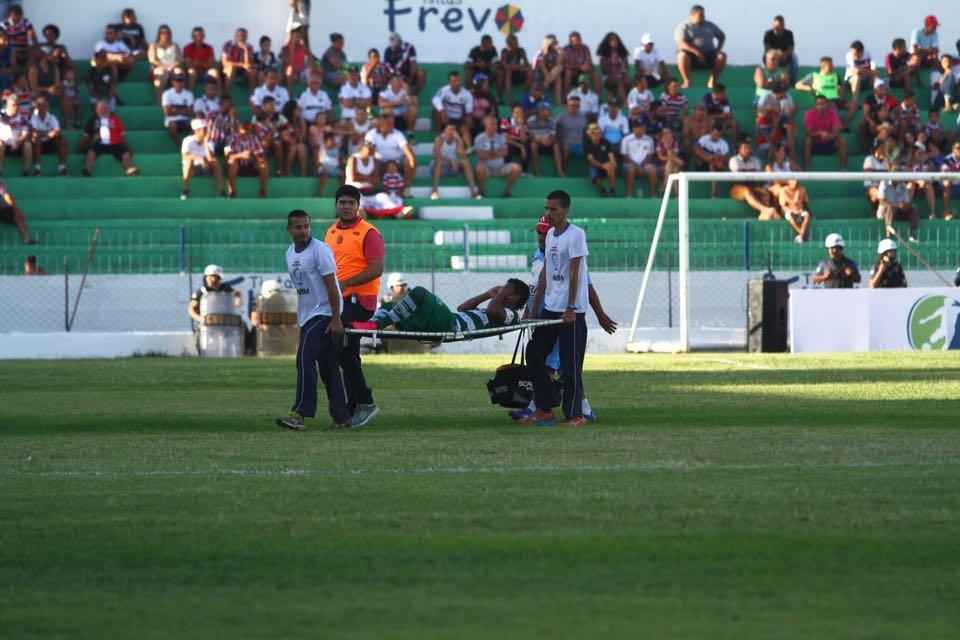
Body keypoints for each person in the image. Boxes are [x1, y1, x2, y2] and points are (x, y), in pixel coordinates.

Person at [276, 209, 351, 432]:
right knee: (328, 366)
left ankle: (300, 413)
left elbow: (332, 286)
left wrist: (336, 319)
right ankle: (342, 416)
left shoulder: (320, 250)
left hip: (325, 313)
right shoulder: (290, 253)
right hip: (308, 316)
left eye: (306, 226)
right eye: (298, 227)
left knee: (304, 358)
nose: (303, 231)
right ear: (289, 229)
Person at [521, 190, 591, 427]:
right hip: (550, 308)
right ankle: (545, 408)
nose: (548, 213)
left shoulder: (576, 235)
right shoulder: (550, 235)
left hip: (572, 311)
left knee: (570, 365)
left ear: (566, 210)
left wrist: (571, 306)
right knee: (534, 353)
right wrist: (534, 310)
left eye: (553, 209)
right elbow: (545, 275)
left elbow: (574, 272)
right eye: (546, 208)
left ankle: (576, 414)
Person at [323, 184, 383, 428]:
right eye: (342, 202)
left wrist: (345, 283)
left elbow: (376, 269)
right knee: (339, 353)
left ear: (358, 206)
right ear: (336, 205)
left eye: (351, 203)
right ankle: (352, 406)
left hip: (360, 301)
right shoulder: (330, 232)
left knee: (343, 351)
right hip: (339, 300)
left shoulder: (369, 233)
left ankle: (364, 403)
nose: (346, 207)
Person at [80, 100, 138, 177]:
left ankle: (130, 170)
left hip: (115, 143)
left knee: (125, 154)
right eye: (101, 108)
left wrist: (126, 145)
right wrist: (82, 147)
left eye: (106, 108)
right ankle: (87, 170)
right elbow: (86, 136)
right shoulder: (92, 120)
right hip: (98, 143)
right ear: (97, 110)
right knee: (91, 153)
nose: (104, 110)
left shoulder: (115, 118)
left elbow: (122, 135)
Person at [675, 4, 726, 89]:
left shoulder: (710, 25)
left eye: (703, 15)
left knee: (722, 56)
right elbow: (681, 43)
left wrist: (718, 49)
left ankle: (712, 81)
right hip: (691, 58)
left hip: (709, 55)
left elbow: (722, 36)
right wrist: (696, 51)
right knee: (681, 55)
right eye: (700, 15)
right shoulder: (684, 26)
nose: (703, 17)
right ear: (692, 15)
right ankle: (687, 80)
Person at [364, 112, 415, 197]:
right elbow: (368, 150)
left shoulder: (398, 133)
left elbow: (408, 152)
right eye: (388, 123)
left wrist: (412, 162)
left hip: (397, 162)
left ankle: (406, 188)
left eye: (392, 123)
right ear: (381, 123)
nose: (391, 125)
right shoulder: (371, 134)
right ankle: (378, 189)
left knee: (410, 159)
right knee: (372, 160)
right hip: (380, 162)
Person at [729, 139, 778, 219]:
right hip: (737, 187)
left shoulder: (755, 160)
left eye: (748, 148)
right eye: (745, 148)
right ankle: (765, 209)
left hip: (753, 187)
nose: (747, 150)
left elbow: (757, 174)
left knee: (765, 193)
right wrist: (751, 172)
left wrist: (747, 172)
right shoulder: (734, 160)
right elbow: (739, 174)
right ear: (739, 150)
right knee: (746, 191)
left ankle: (764, 215)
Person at [474, 114, 521, 198]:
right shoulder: (479, 138)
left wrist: (488, 153)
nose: (495, 126)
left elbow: (505, 152)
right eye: (492, 124)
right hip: (486, 168)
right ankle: (481, 191)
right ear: (486, 125)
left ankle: (508, 191)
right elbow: (480, 154)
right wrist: (496, 153)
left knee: (516, 168)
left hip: (500, 167)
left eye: (495, 124)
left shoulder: (501, 137)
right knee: (479, 168)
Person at [430, 123, 478, 199]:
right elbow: (435, 155)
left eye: (453, 129)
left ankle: (473, 192)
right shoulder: (439, 139)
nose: (451, 132)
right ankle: (434, 191)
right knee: (439, 162)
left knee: (465, 162)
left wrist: (459, 139)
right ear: (444, 131)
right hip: (439, 167)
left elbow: (462, 155)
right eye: (449, 129)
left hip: (452, 167)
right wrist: (450, 160)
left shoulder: (457, 140)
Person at [794, 56, 848, 122]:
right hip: (820, 102)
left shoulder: (835, 76)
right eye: (830, 65)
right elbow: (797, 85)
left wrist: (840, 93)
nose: (833, 67)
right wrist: (810, 88)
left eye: (832, 65)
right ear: (823, 66)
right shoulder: (813, 76)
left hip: (833, 102)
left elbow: (842, 87)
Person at [181, 119, 224, 199]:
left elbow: (210, 158)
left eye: (206, 128)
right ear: (196, 131)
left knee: (215, 161)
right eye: (204, 129)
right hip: (193, 169)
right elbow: (185, 156)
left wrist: (205, 143)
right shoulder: (187, 140)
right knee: (189, 161)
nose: (206, 131)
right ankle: (185, 190)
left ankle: (221, 191)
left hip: (207, 167)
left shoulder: (209, 141)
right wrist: (200, 159)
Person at [225, 120, 268, 198]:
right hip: (238, 165)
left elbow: (261, 154)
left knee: (263, 163)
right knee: (232, 162)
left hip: (251, 165)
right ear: (238, 129)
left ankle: (263, 190)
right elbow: (228, 155)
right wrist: (241, 155)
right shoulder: (232, 138)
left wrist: (253, 156)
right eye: (244, 128)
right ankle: (233, 191)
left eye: (248, 128)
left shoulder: (254, 138)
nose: (246, 131)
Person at [803, 94, 847, 170]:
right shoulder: (810, 114)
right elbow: (808, 133)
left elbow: (836, 131)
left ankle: (843, 168)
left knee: (842, 141)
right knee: (808, 141)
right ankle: (807, 167)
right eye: (818, 104)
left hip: (829, 142)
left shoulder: (832, 114)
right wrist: (819, 133)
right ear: (815, 105)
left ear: (827, 104)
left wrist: (830, 136)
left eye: (823, 104)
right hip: (815, 143)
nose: (821, 106)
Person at [431, 71, 473, 145]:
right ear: (449, 82)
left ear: (460, 81)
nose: (456, 83)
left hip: (458, 118)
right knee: (435, 110)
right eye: (453, 81)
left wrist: (467, 123)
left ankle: (468, 146)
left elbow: (468, 112)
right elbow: (435, 99)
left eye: (458, 81)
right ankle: (438, 134)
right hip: (446, 117)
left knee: (466, 125)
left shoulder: (467, 94)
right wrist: (442, 111)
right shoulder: (444, 90)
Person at [29, 95, 67, 176]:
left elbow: (57, 131)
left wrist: (46, 134)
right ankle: (37, 169)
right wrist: (48, 133)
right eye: (40, 105)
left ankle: (62, 168)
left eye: (45, 105)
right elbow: (34, 132)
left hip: (50, 142)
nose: (43, 107)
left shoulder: (52, 117)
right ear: (37, 107)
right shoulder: (33, 117)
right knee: (36, 140)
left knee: (63, 142)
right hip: (38, 143)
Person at [621, 119, 657, 197]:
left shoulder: (649, 139)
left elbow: (650, 155)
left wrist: (641, 165)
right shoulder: (626, 139)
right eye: (639, 127)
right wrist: (637, 166)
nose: (641, 129)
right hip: (629, 164)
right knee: (631, 169)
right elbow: (625, 156)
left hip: (645, 164)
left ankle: (653, 195)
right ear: (634, 129)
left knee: (653, 169)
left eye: (643, 127)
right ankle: (629, 195)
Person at [147, 24, 182, 103]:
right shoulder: (154, 45)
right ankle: (159, 102)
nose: (165, 35)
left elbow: (180, 59)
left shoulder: (175, 45)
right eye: (163, 33)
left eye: (167, 33)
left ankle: (179, 100)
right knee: (160, 74)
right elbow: (152, 60)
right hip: (159, 67)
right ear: (159, 34)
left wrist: (172, 66)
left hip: (173, 67)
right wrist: (164, 67)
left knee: (178, 72)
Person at [0, 94, 32, 176]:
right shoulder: (1, 116)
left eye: (18, 105)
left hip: (17, 145)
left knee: (28, 145)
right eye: (13, 105)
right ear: (7, 105)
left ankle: (26, 171)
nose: (16, 107)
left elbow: (25, 133)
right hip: (3, 145)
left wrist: (18, 142)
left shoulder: (22, 118)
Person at [693, 124, 729, 196]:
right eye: (715, 134)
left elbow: (725, 158)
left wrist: (714, 158)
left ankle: (714, 192)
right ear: (711, 132)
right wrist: (708, 157)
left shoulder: (723, 143)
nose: (716, 136)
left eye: (718, 135)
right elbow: (696, 149)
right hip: (702, 163)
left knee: (713, 164)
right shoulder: (704, 138)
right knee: (709, 160)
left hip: (716, 165)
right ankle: (714, 192)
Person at [583, 121, 616, 197]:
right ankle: (602, 189)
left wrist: (613, 163)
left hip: (606, 164)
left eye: (598, 133)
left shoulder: (606, 142)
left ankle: (612, 189)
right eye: (594, 133)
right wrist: (602, 166)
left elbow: (611, 155)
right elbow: (591, 160)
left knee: (611, 168)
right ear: (590, 134)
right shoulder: (587, 144)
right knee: (595, 178)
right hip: (595, 166)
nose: (596, 135)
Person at [556, 95, 587, 175]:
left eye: (577, 106)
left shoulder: (584, 117)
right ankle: (563, 172)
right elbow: (555, 132)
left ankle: (592, 174)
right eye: (572, 105)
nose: (574, 108)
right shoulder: (561, 118)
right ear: (567, 106)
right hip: (567, 144)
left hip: (581, 144)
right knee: (566, 150)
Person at [762, 15, 798, 84]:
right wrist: (776, 53)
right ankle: (767, 80)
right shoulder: (768, 34)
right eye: (776, 26)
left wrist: (785, 54)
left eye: (780, 26)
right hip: (772, 55)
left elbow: (791, 47)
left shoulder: (789, 33)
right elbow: (767, 48)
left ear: (783, 25)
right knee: (766, 57)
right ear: (773, 25)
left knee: (795, 58)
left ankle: (793, 81)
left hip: (785, 55)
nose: (777, 28)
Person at [844, 40, 876, 115]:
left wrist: (868, 72)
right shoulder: (849, 55)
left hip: (866, 79)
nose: (853, 55)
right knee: (857, 77)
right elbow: (855, 71)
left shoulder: (868, 54)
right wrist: (868, 71)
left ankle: (876, 101)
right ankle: (854, 102)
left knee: (876, 77)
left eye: (855, 53)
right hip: (851, 80)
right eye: (852, 53)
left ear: (861, 52)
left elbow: (874, 70)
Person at [161, 71, 194, 143]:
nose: (179, 83)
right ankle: (180, 145)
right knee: (173, 126)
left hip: (186, 120)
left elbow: (190, 112)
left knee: (195, 125)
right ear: (172, 82)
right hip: (172, 121)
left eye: (181, 81)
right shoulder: (167, 94)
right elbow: (167, 113)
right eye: (177, 81)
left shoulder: (189, 94)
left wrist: (174, 110)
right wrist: (183, 110)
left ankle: (189, 143)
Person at [597, 32, 630, 104]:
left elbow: (625, 67)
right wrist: (614, 75)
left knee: (624, 80)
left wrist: (622, 73)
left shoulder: (622, 53)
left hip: (620, 75)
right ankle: (625, 102)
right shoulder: (604, 53)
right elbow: (603, 69)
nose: (614, 42)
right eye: (612, 40)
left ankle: (619, 100)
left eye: (615, 40)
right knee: (618, 81)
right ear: (608, 42)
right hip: (608, 75)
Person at [562, 31, 598, 95]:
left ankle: (596, 94)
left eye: (578, 39)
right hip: (572, 70)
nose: (577, 41)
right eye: (574, 40)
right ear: (570, 41)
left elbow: (588, 59)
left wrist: (586, 64)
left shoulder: (585, 48)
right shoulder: (566, 49)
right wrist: (579, 67)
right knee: (568, 73)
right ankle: (566, 95)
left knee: (593, 72)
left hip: (582, 69)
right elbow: (566, 64)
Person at [183, 26, 217, 92]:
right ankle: (190, 98)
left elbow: (210, 64)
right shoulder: (187, 48)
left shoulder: (209, 48)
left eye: (200, 36)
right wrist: (203, 64)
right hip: (193, 72)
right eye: (195, 36)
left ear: (203, 36)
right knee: (192, 72)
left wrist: (197, 63)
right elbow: (188, 64)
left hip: (205, 72)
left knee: (214, 72)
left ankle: (217, 98)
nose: (198, 38)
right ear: (192, 37)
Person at [2, 5, 36, 69]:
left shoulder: (26, 22)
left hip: (24, 46)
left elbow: (32, 34)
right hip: (10, 47)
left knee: (33, 51)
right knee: (13, 51)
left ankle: (28, 70)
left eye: (19, 14)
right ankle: (15, 71)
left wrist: (35, 45)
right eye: (15, 14)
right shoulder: (4, 24)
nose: (17, 17)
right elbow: (2, 37)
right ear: (10, 15)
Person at [221, 28, 255, 92]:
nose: (242, 38)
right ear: (235, 36)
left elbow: (248, 64)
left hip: (243, 70)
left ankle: (252, 96)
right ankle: (226, 95)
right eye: (240, 36)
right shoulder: (228, 45)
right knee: (231, 69)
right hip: (230, 68)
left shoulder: (249, 47)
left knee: (252, 72)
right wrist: (240, 65)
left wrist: (245, 50)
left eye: (244, 36)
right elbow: (225, 63)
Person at [532, 34, 563, 105]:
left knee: (559, 72)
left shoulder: (557, 51)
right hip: (541, 73)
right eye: (553, 41)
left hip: (550, 76)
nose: (554, 43)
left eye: (555, 41)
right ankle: (545, 87)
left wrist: (560, 52)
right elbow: (541, 64)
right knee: (558, 75)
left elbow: (558, 63)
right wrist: (547, 76)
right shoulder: (542, 51)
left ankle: (558, 102)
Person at [0, 179, 30, 243]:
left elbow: (6, 196)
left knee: (20, 218)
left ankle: (26, 239)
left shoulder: (2, 184)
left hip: (5, 209)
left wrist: (15, 208)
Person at [940, 141, 960, 220]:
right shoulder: (947, 159)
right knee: (946, 184)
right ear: (953, 150)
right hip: (951, 184)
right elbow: (944, 171)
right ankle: (946, 212)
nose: (959, 150)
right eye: (958, 148)